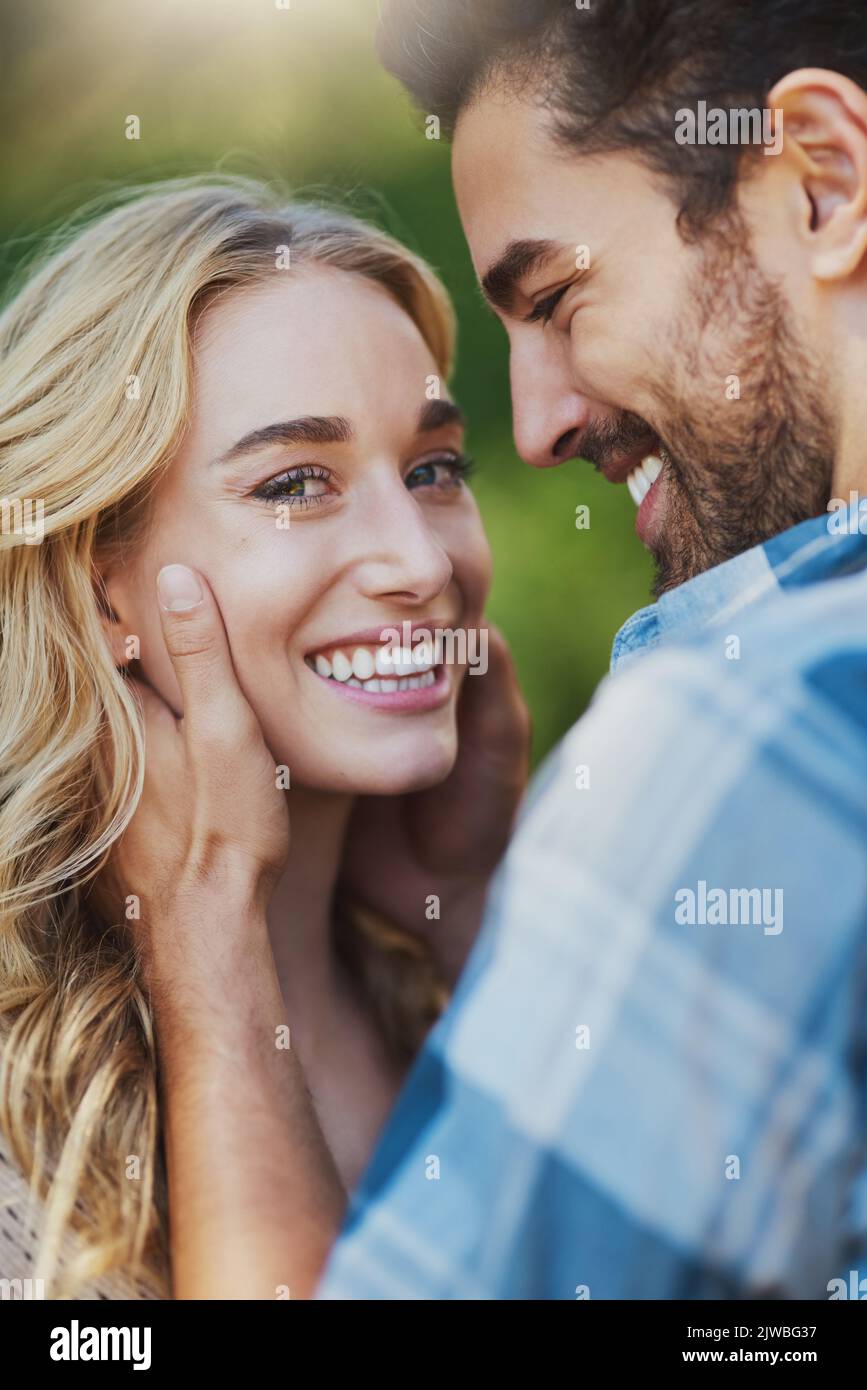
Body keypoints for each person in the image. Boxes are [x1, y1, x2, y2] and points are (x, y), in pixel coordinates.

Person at [123, 0, 867, 1299]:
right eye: (295, 480)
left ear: (820, 182)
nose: (530, 427)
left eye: (561, 295)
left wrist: (212, 974)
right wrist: (485, 919)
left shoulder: (742, 731)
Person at [0, 173, 529, 1299]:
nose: (423, 564)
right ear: (101, 586)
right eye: (297, 483)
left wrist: (482, 914)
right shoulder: (20, 1113)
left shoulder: (464, 987)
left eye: (434, 468)